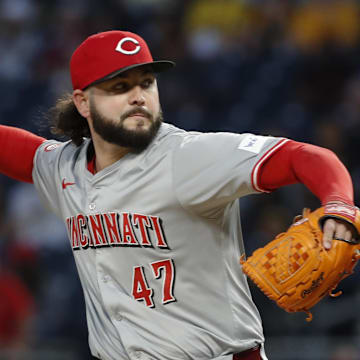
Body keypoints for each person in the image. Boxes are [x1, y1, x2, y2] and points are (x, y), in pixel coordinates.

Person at [0, 30, 358, 360]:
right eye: (119, 86)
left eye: (146, 83)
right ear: (82, 102)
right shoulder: (66, 168)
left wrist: (339, 204)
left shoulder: (188, 157)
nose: (138, 96)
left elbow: (303, 156)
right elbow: (19, 150)